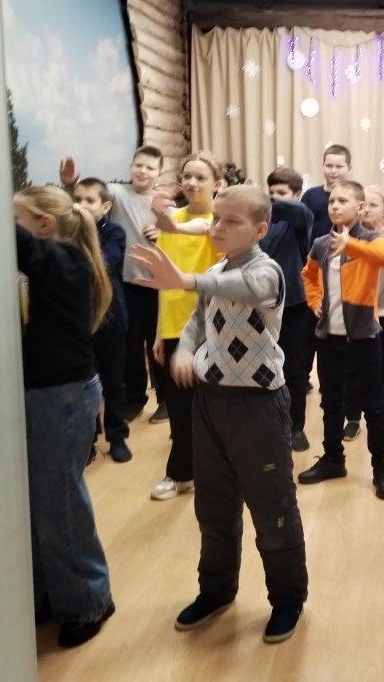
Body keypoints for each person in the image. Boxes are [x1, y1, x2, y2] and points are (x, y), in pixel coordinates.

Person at [130, 184, 308, 644]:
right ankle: (216, 591)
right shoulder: (213, 271)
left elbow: (243, 288)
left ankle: (287, 599)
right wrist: (185, 351)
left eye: (232, 221)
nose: (218, 228)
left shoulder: (267, 271)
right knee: (213, 506)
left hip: (258, 408)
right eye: (216, 219)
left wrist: (185, 280)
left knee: (272, 508)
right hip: (211, 404)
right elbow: (197, 320)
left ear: (260, 230)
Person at [14, 185, 115, 648]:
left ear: (44, 226)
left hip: (63, 397)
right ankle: (53, 593)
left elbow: (18, 244)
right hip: (45, 394)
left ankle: (89, 599)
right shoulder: (53, 262)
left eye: (18, 219)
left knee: (61, 503)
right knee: (38, 501)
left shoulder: (66, 261)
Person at [297, 181, 384, 500]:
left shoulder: (369, 240)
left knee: (374, 407)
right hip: (329, 337)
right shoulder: (320, 244)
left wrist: (351, 245)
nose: (334, 206)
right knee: (331, 402)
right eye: (332, 201)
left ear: (360, 208)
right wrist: (314, 300)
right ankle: (333, 459)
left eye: (343, 201)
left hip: (364, 337)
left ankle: (381, 469)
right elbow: (308, 275)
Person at [60, 147, 167, 424]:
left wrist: (163, 232)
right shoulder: (117, 193)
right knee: (131, 346)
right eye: (138, 165)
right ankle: (135, 399)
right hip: (128, 283)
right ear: (131, 167)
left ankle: (165, 400)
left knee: (159, 345)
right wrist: (71, 182)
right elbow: (90, 197)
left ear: (159, 173)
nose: (143, 171)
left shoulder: (164, 203)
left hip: (158, 284)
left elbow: (176, 232)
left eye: (150, 167)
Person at [149, 152, 223, 501]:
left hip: (213, 326)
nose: (191, 183)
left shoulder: (220, 220)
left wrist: (175, 226)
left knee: (214, 406)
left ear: (217, 184)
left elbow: (206, 229)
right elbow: (163, 278)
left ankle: (218, 472)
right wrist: (160, 331)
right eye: (187, 176)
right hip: (175, 324)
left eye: (200, 177)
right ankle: (180, 473)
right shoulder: (173, 220)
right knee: (179, 408)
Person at [342, 185, 384, 442]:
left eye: (374, 205)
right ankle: (352, 417)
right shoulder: (350, 232)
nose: (368, 209)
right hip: (357, 305)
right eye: (365, 204)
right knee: (352, 365)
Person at [74, 177, 133, 463]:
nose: (82, 205)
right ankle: (89, 440)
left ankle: (117, 437)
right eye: (77, 199)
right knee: (85, 384)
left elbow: (105, 263)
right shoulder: (68, 233)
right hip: (79, 320)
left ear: (105, 206)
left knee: (114, 383)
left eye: (90, 200)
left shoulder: (114, 232)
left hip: (110, 318)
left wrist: (72, 262)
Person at [263, 167, 316, 452]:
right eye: (271, 192)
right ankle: (268, 424)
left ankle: (296, 426)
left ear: (297, 195)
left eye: (281, 193)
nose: (274, 197)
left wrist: (261, 200)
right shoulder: (261, 221)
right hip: (260, 305)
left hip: (294, 306)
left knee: (294, 370)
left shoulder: (301, 216)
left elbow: (296, 212)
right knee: (263, 367)